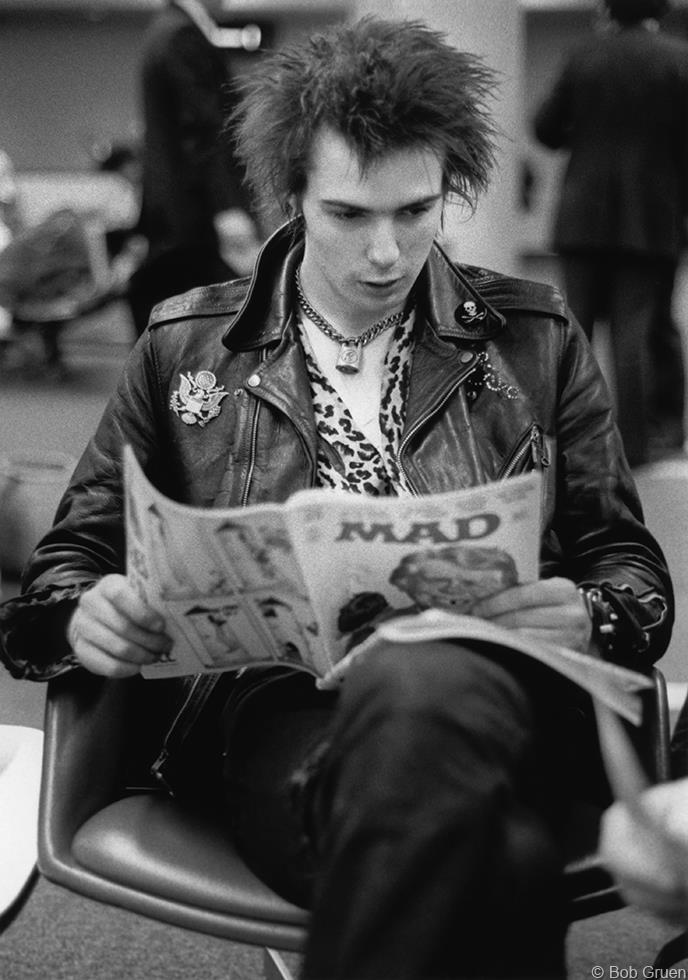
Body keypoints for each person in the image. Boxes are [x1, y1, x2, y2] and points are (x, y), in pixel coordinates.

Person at [0, 17, 675, 979]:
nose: (388, 255)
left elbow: (633, 573)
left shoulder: (534, 336)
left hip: (506, 701)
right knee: (506, 863)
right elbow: (61, 571)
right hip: (282, 721)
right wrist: (81, 617)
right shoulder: (187, 346)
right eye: (350, 216)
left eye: (417, 211)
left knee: (423, 675)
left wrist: (590, 607)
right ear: (291, 197)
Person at [533, 0, 688, 467]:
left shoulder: (583, 56)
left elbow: (545, 129)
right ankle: (640, 446)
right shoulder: (678, 60)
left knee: (575, 331)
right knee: (637, 331)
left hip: (582, 217)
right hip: (651, 217)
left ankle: (569, 442)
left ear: (607, 9)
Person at [128, 0, 260, 336]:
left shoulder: (165, 30)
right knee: (198, 333)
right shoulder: (181, 36)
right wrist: (227, 206)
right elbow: (202, 130)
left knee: (176, 333)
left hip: (174, 213)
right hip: (191, 212)